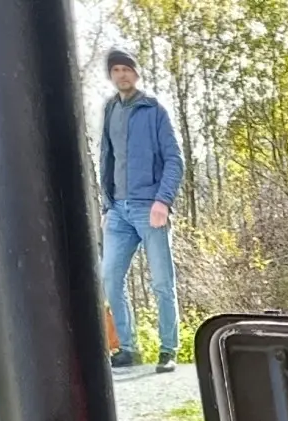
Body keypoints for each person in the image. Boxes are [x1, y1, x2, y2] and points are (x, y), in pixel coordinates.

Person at [97, 48, 184, 373]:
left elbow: (175, 160)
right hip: (118, 211)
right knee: (110, 278)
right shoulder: (109, 110)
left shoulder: (154, 110)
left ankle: (168, 349)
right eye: (116, 69)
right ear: (111, 75)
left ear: (136, 73)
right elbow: (106, 158)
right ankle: (128, 349)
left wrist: (163, 201)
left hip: (151, 208)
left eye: (127, 69)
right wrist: (107, 204)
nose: (122, 74)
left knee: (162, 282)